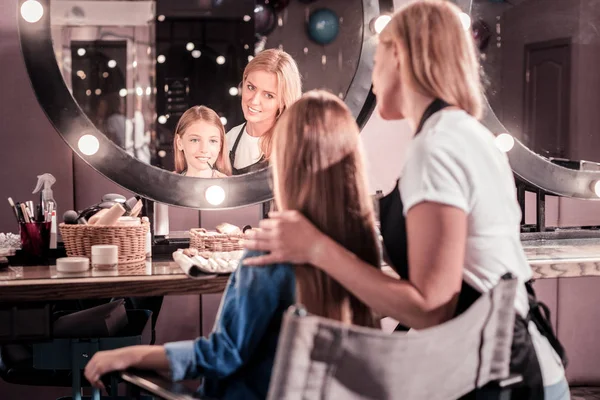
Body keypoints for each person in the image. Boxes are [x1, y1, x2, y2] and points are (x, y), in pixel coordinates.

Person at [243, 1, 569, 399]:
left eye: (378, 57)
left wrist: (316, 248)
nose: (375, 77)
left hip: (503, 377)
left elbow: (430, 307)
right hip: (495, 365)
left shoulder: (439, 147)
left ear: (399, 57)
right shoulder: (459, 133)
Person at [83, 90, 381, 400]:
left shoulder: (271, 250)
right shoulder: (363, 246)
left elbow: (223, 354)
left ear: (284, 160)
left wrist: (130, 356)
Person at [227, 48, 302, 175]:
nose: (254, 101)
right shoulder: (229, 139)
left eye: (268, 95)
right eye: (251, 87)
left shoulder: (293, 147)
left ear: (283, 101)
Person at [174, 105, 232, 178]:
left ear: (220, 145)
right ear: (179, 143)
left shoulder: (230, 187)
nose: (204, 149)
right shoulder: (168, 186)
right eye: (195, 140)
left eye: (213, 141)